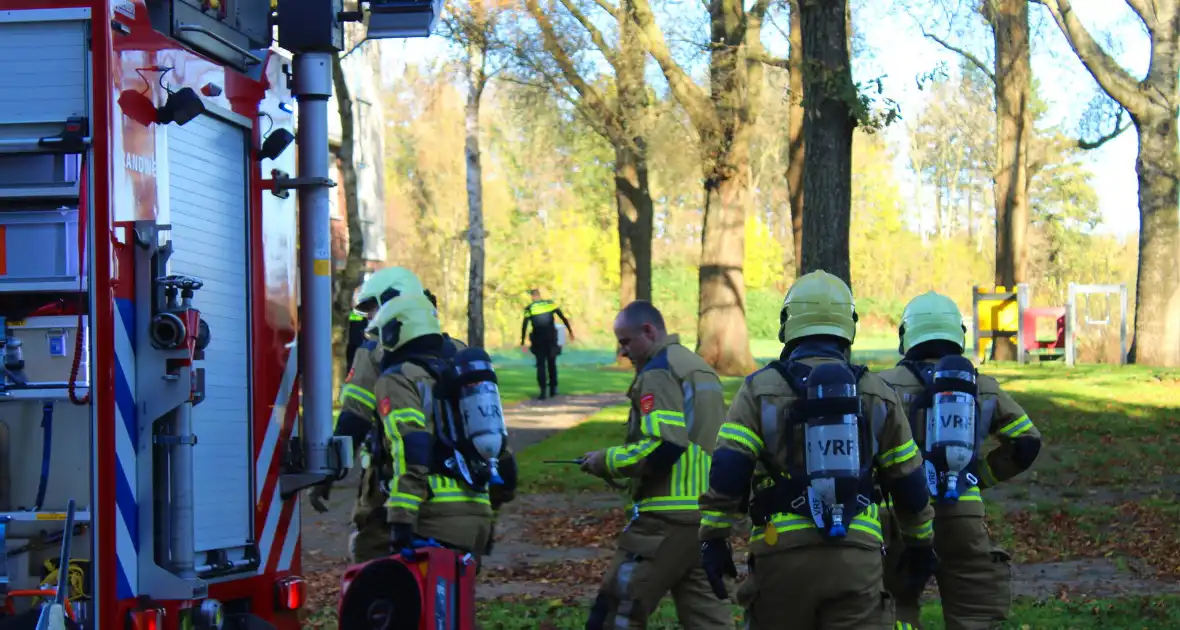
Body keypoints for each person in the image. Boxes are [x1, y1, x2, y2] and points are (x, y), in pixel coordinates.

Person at [697, 270, 937, 630]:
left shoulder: (758, 389)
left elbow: (729, 468)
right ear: (849, 326)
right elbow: (909, 482)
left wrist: (713, 538)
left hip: (781, 558)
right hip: (857, 557)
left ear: (787, 325)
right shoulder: (876, 392)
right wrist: (920, 545)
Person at [879, 291, 1042, 630]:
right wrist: (979, 476)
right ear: (959, 335)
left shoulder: (880, 386)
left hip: (899, 515)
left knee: (895, 606)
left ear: (906, 335)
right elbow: (1027, 442)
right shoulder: (982, 387)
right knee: (974, 612)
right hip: (961, 513)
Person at [578, 300, 733, 630]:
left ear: (648, 331)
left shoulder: (658, 371)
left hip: (666, 520)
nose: (623, 352)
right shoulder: (697, 366)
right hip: (707, 518)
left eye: (625, 341)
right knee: (710, 620)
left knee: (615, 612)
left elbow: (666, 445)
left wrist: (605, 461)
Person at [350, 292, 516, 564]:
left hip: (429, 520)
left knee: (370, 584)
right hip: (476, 521)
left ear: (395, 333)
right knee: (452, 604)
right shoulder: (458, 376)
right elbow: (503, 461)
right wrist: (488, 520)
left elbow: (411, 447)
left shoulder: (398, 378)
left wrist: (401, 519)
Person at [309, 267, 467, 513]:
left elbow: (355, 417)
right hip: (464, 492)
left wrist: (328, 471)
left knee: (371, 548)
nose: (369, 317)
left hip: (397, 489)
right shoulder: (459, 351)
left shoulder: (374, 351)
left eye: (372, 308)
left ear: (395, 301)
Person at [520, 289, 575, 400]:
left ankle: (543, 392)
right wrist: (570, 331)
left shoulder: (530, 308)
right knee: (552, 364)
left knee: (540, 365)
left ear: (532, 297)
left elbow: (524, 325)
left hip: (538, 340)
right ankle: (553, 389)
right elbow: (563, 317)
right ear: (539, 296)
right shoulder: (550, 304)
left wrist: (522, 341)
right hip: (551, 339)